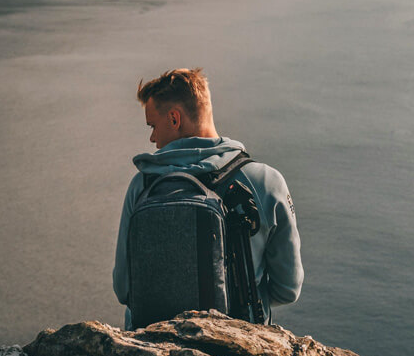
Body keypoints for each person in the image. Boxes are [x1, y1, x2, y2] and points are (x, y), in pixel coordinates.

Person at [112, 68, 303, 329]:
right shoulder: (266, 181)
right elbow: (287, 288)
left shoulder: (143, 185)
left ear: (175, 118)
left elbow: (123, 289)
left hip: (152, 342)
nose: (153, 138)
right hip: (236, 340)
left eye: (153, 126)